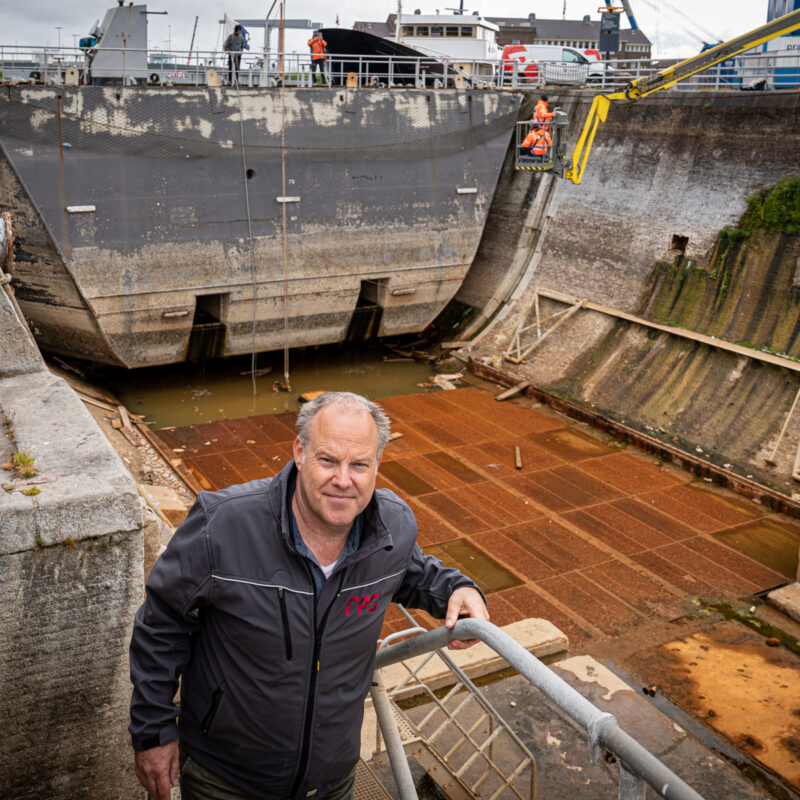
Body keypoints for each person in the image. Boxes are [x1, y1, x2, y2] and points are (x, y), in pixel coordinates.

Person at [129, 391, 488, 800]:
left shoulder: (393, 525)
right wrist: (153, 730)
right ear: (299, 452)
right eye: (328, 460)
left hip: (331, 779)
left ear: (377, 465)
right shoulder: (223, 524)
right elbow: (161, 625)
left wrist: (458, 589)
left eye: (359, 465)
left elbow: (415, 573)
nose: (343, 480)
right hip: (226, 778)